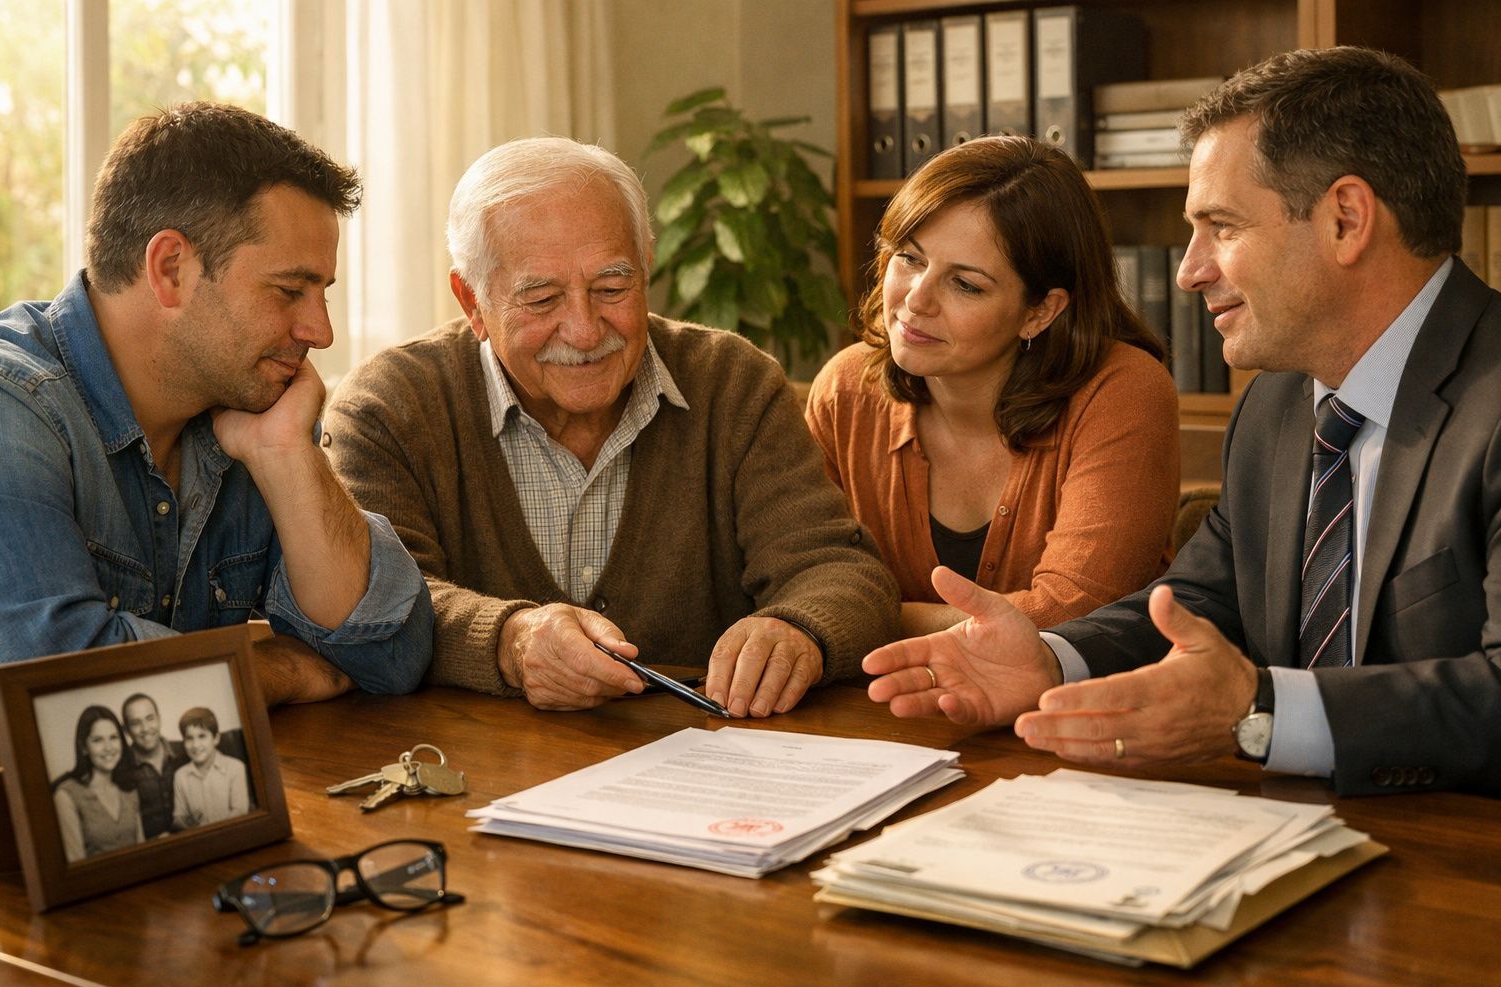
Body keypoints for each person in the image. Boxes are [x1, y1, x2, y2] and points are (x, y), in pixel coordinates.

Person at [864, 46, 1501, 796]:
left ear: (1346, 219)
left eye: (1221, 227)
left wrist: (1261, 712)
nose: (1188, 270)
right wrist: (1050, 659)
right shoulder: (1276, 404)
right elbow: (1203, 602)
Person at [324, 137, 898, 719]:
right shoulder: (389, 406)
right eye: (542, 298)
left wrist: (796, 627)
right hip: (470, 772)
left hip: (700, 765)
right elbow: (375, 604)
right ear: (473, 301)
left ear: (646, 264)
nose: (584, 329)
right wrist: (511, 641)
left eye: (612, 288)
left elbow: (839, 569)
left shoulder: (734, 383)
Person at [0, 102, 435, 731]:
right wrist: (279, 671)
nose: (319, 331)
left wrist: (285, 455)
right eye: (289, 290)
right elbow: (63, 685)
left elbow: (392, 655)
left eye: (323, 293)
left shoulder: (243, 412)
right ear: (171, 269)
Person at [805, 135, 1179, 636]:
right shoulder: (846, 388)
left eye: (966, 284)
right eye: (910, 259)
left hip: (1072, 709)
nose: (916, 302)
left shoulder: (1123, 391)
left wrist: (859, 615)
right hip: (879, 709)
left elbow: (1073, 618)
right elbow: (801, 582)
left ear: (1040, 312)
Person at [52, 705, 145, 861]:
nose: (108, 748)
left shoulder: (129, 788)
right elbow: (77, 864)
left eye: (114, 738)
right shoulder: (66, 796)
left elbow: (142, 851)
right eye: (97, 740)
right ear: (84, 748)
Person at [116, 693, 186, 839]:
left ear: (159, 719)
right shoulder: (120, 768)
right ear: (126, 730)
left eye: (150, 718)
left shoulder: (185, 752)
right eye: (136, 723)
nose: (145, 728)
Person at [171, 707, 250, 828]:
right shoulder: (180, 776)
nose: (195, 745)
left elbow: (240, 811)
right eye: (189, 738)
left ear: (216, 738)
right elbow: (178, 817)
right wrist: (186, 822)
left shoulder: (236, 767)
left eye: (202, 736)